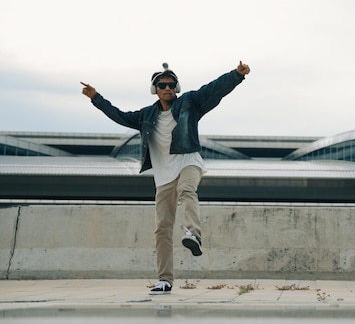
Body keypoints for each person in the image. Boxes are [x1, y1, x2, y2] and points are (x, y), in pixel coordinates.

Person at [80, 61, 250, 295]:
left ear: (176, 87)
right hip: (163, 176)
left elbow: (213, 89)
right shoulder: (145, 115)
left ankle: (194, 233)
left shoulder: (190, 102)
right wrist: (96, 97)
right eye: (162, 85)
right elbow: (118, 115)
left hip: (188, 162)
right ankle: (165, 280)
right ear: (155, 89)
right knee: (162, 228)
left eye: (171, 85)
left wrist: (236, 75)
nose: (167, 88)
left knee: (187, 190)